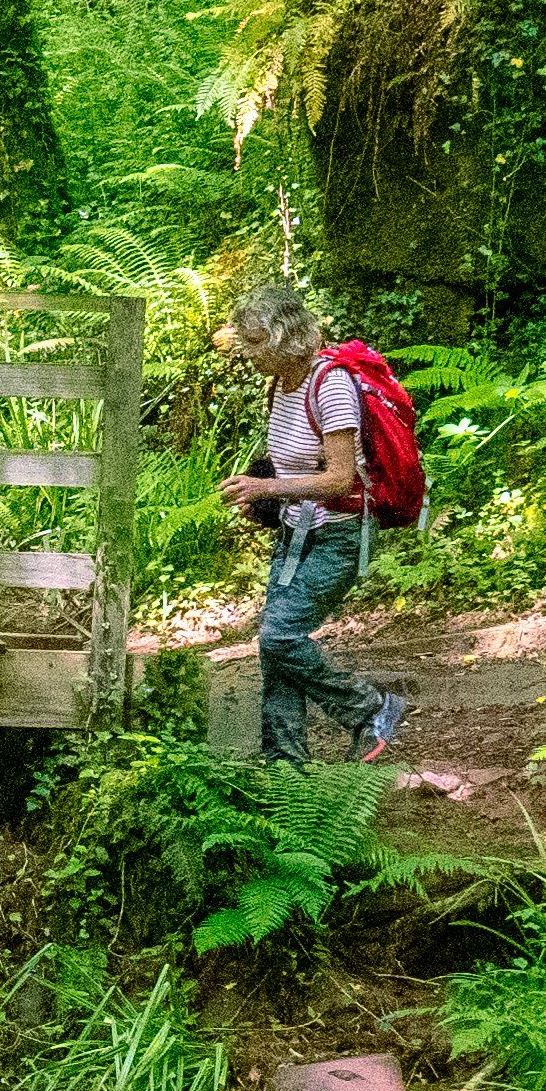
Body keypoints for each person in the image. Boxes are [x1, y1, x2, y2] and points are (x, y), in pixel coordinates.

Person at [227, 284, 406, 766]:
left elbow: (339, 477)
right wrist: (263, 496)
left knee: (279, 637)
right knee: (276, 653)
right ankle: (285, 767)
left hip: (339, 534)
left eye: (256, 341)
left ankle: (372, 709)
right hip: (294, 534)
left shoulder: (331, 385)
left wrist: (265, 489)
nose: (248, 352)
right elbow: (292, 470)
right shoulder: (280, 387)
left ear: (285, 337)